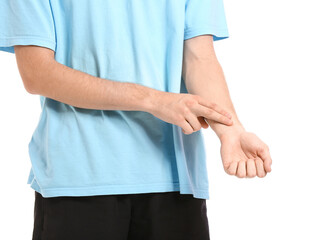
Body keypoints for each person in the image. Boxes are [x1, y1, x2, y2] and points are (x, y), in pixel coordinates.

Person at [0, 0, 272, 239]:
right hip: (77, 180)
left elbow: (199, 57)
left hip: (174, 181)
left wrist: (231, 131)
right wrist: (152, 100)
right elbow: (37, 73)